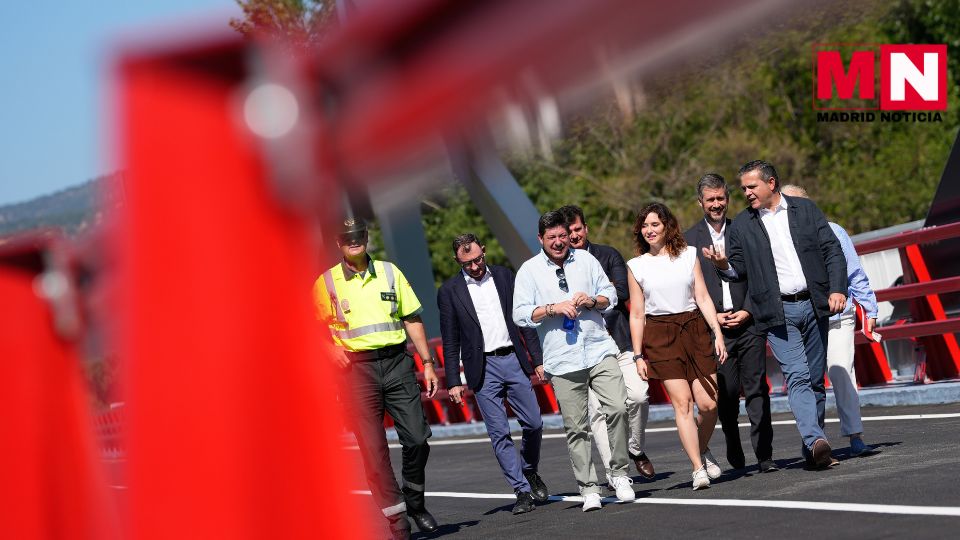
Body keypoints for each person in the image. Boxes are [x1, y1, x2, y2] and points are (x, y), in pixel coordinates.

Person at [702, 160, 848, 470]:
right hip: (777, 312)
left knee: (815, 380)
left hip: (815, 304)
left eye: (751, 186)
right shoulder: (742, 224)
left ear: (771, 183)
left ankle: (813, 447)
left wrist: (838, 289)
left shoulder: (805, 211)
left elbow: (832, 250)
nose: (746, 193)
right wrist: (722, 265)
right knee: (796, 375)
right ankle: (815, 439)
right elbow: (737, 269)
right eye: (742, 188)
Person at [312, 218, 439, 539]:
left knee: (417, 438)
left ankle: (415, 501)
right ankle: (398, 521)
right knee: (373, 449)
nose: (354, 242)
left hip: (396, 363)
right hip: (356, 373)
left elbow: (412, 318)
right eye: (347, 238)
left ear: (366, 238)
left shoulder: (390, 272)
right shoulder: (325, 284)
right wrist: (328, 350)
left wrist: (426, 362)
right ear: (338, 243)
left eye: (358, 236)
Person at [513, 210, 636, 512]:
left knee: (619, 407)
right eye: (551, 237)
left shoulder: (586, 260)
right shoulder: (529, 271)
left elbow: (611, 294)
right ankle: (589, 487)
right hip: (563, 359)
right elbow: (520, 314)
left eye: (562, 236)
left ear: (569, 236)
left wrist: (592, 301)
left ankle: (619, 473)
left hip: (598, 348)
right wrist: (553, 308)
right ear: (540, 239)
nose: (558, 242)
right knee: (577, 427)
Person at [437, 233, 549, 515]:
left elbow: (525, 322)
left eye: (477, 259)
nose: (475, 267)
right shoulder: (449, 291)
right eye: (467, 263)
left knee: (534, 423)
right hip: (482, 367)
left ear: (484, 251)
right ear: (457, 261)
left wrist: (538, 359)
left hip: (513, 357)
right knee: (499, 433)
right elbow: (450, 340)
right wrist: (453, 381)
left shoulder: (504, 276)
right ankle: (521, 490)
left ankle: (529, 469)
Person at [627, 202, 728, 490]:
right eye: (645, 226)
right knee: (682, 403)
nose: (649, 230)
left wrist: (717, 333)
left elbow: (703, 297)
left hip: (694, 328)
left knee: (709, 404)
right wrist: (638, 355)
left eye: (655, 224)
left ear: (667, 226)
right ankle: (698, 468)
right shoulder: (636, 266)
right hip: (660, 335)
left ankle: (702, 446)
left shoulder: (688, 255)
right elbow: (637, 313)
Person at [684, 174, 776, 473]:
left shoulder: (745, 230)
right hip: (715, 328)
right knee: (726, 391)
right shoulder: (688, 241)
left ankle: (764, 454)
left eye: (720, 198)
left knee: (756, 389)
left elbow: (760, 275)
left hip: (748, 324)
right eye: (710, 200)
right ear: (701, 203)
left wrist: (748, 310)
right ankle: (733, 444)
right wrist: (712, 318)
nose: (716, 204)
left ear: (728, 198)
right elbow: (687, 291)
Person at [781, 184, 881, 458]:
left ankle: (855, 436)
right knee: (807, 378)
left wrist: (869, 310)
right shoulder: (779, 237)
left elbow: (854, 272)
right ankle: (815, 440)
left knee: (841, 372)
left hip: (838, 314)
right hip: (802, 316)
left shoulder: (834, 231)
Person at [558, 205, 656, 484]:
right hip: (582, 347)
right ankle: (615, 473)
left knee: (638, 396)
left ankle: (634, 447)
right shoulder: (559, 267)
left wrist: (590, 297)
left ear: (586, 229)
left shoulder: (608, 254)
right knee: (598, 413)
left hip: (619, 340)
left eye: (578, 229)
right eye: (568, 232)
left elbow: (621, 291)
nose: (574, 236)